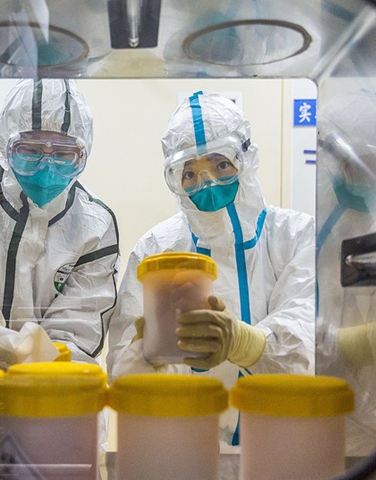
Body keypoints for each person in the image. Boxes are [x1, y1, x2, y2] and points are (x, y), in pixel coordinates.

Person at [106, 91, 315, 446]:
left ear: (246, 159)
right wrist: (150, 356)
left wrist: (244, 342)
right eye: (190, 173)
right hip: (187, 448)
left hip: (282, 446)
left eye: (221, 165)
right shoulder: (156, 250)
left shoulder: (296, 236)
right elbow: (125, 378)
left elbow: (311, 344)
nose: (208, 183)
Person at [0, 78, 120, 368]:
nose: (46, 168)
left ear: (82, 155)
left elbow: (78, 326)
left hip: (50, 385)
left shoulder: (95, 226)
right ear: (6, 146)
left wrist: (43, 369)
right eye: (30, 150)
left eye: (64, 154)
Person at [314, 89, 376, 455]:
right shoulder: (307, 219)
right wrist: (349, 342)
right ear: (333, 158)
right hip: (304, 405)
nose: (375, 179)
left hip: (364, 419)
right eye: (363, 163)